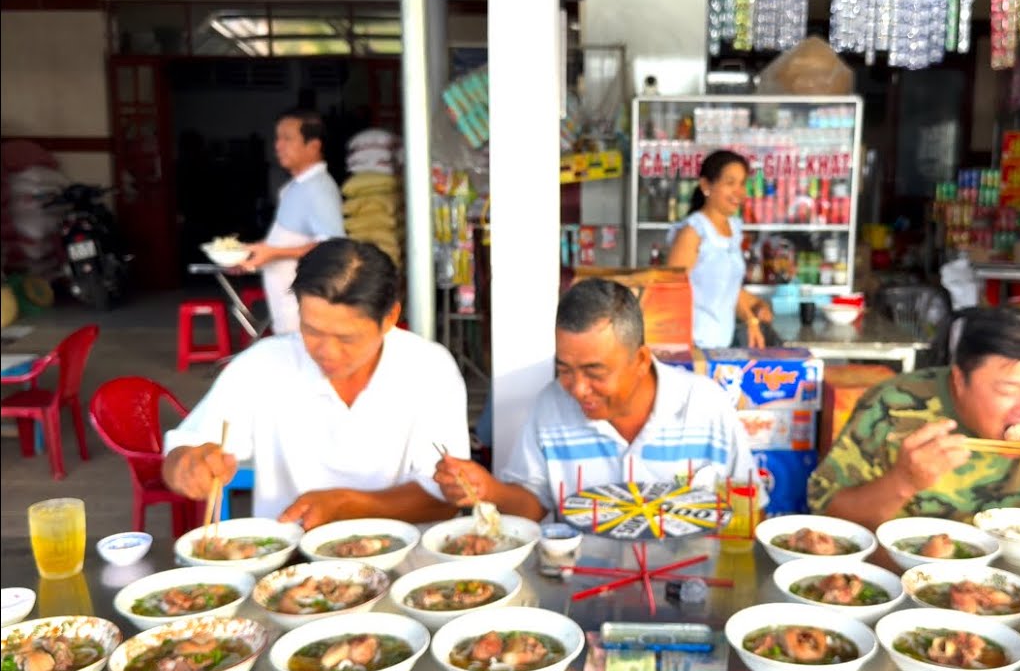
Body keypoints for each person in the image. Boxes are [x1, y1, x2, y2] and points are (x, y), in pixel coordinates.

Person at [163, 239, 470, 529]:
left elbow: (444, 499)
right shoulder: (264, 365)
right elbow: (182, 452)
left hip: (406, 569)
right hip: (292, 566)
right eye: (311, 330)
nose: (327, 352)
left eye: (347, 338)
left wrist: (344, 504)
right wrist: (188, 466)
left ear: (390, 317)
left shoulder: (428, 368)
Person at [807, 307, 1020, 566]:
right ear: (958, 381)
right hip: (912, 582)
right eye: (1008, 390)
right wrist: (903, 481)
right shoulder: (893, 406)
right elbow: (829, 519)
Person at [434, 278, 758, 521]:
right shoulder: (551, 407)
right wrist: (488, 490)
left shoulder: (706, 408)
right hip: (580, 588)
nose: (577, 389)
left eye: (595, 372)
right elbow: (534, 504)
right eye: (564, 369)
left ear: (641, 360)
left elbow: (749, 508)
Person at [241, 109, 345, 334]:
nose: (278, 146)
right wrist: (255, 254)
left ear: (313, 146)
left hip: (305, 313)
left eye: (287, 139)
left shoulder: (319, 189)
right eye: (277, 138)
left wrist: (274, 254)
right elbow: (285, 243)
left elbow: (333, 248)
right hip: (288, 310)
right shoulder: (295, 187)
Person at [666, 150, 773, 348]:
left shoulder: (733, 229)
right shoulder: (693, 232)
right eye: (730, 183)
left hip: (720, 346)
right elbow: (669, 294)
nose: (739, 192)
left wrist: (753, 308)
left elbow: (725, 288)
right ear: (706, 185)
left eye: (742, 184)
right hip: (692, 345)